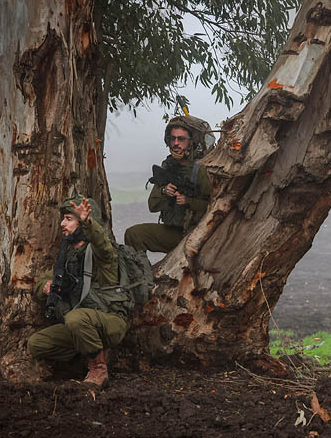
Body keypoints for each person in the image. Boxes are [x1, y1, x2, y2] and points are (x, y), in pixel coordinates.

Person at [28, 195, 134, 388]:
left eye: (69, 219)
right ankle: (88, 354)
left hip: (110, 321)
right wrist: (46, 286)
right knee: (37, 344)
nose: (62, 224)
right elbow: (44, 278)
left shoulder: (103, 254)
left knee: (75, 318)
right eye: (63, 219)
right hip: (81, 324)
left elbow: (102, 243)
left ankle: (98, 369)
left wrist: (88, 222)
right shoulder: (68, 255)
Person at [124, 115, 212, 253]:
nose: (176, 143)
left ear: (191, 142)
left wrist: (189, 201)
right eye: (173, 139)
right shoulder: (167, 167)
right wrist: (164, 191)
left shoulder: (201, 169)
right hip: (173, 232)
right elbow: (152, 205)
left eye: (181, 139)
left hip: (196, 235)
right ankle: (141, 274)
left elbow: (212, 206)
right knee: (133, 234)